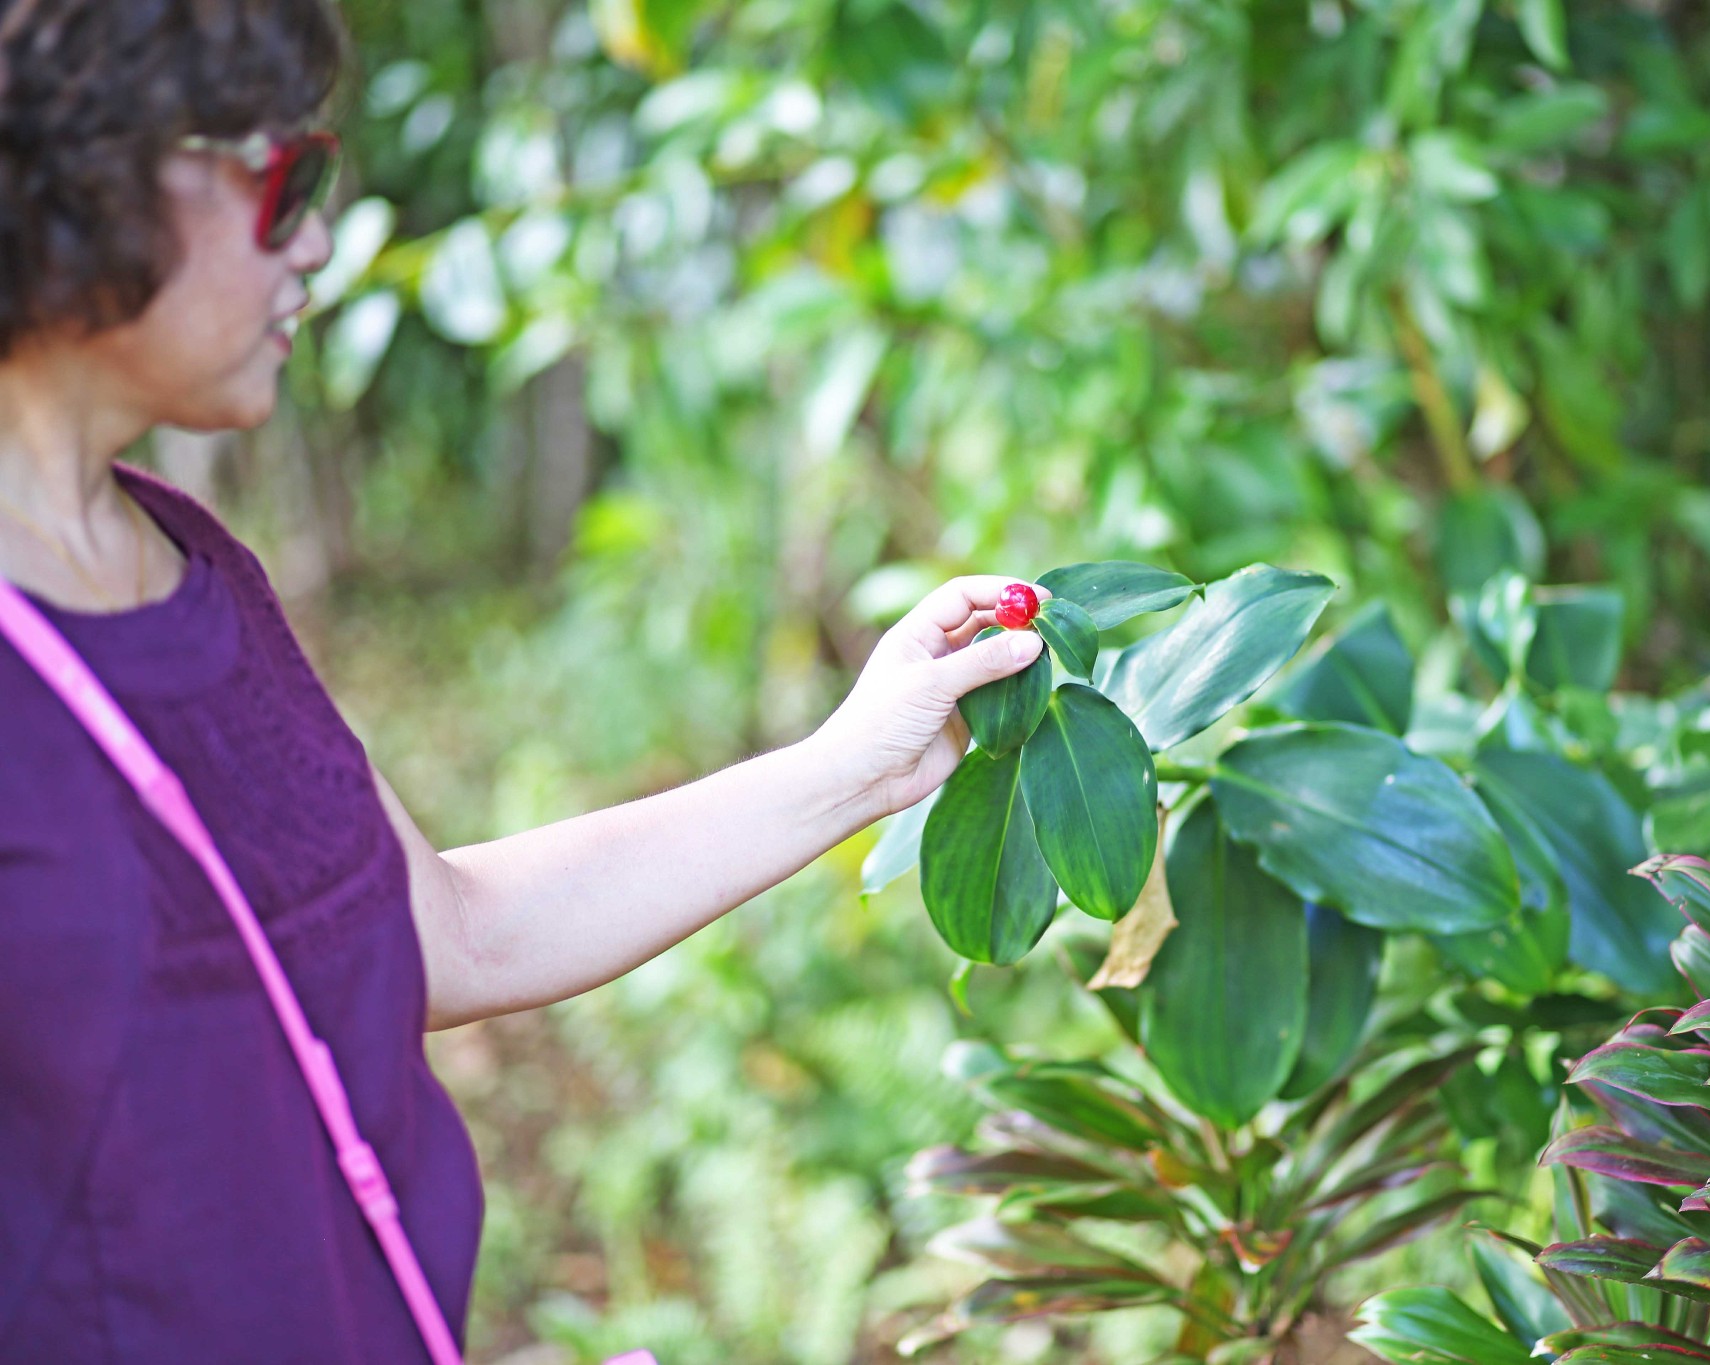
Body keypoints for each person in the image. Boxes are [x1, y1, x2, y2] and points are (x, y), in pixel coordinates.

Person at [0, 1, 1045, 1357]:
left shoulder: (194, 567)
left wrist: (863, 762)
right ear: (85, 179)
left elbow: (450, 931)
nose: (317, 238)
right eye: (283, 182)